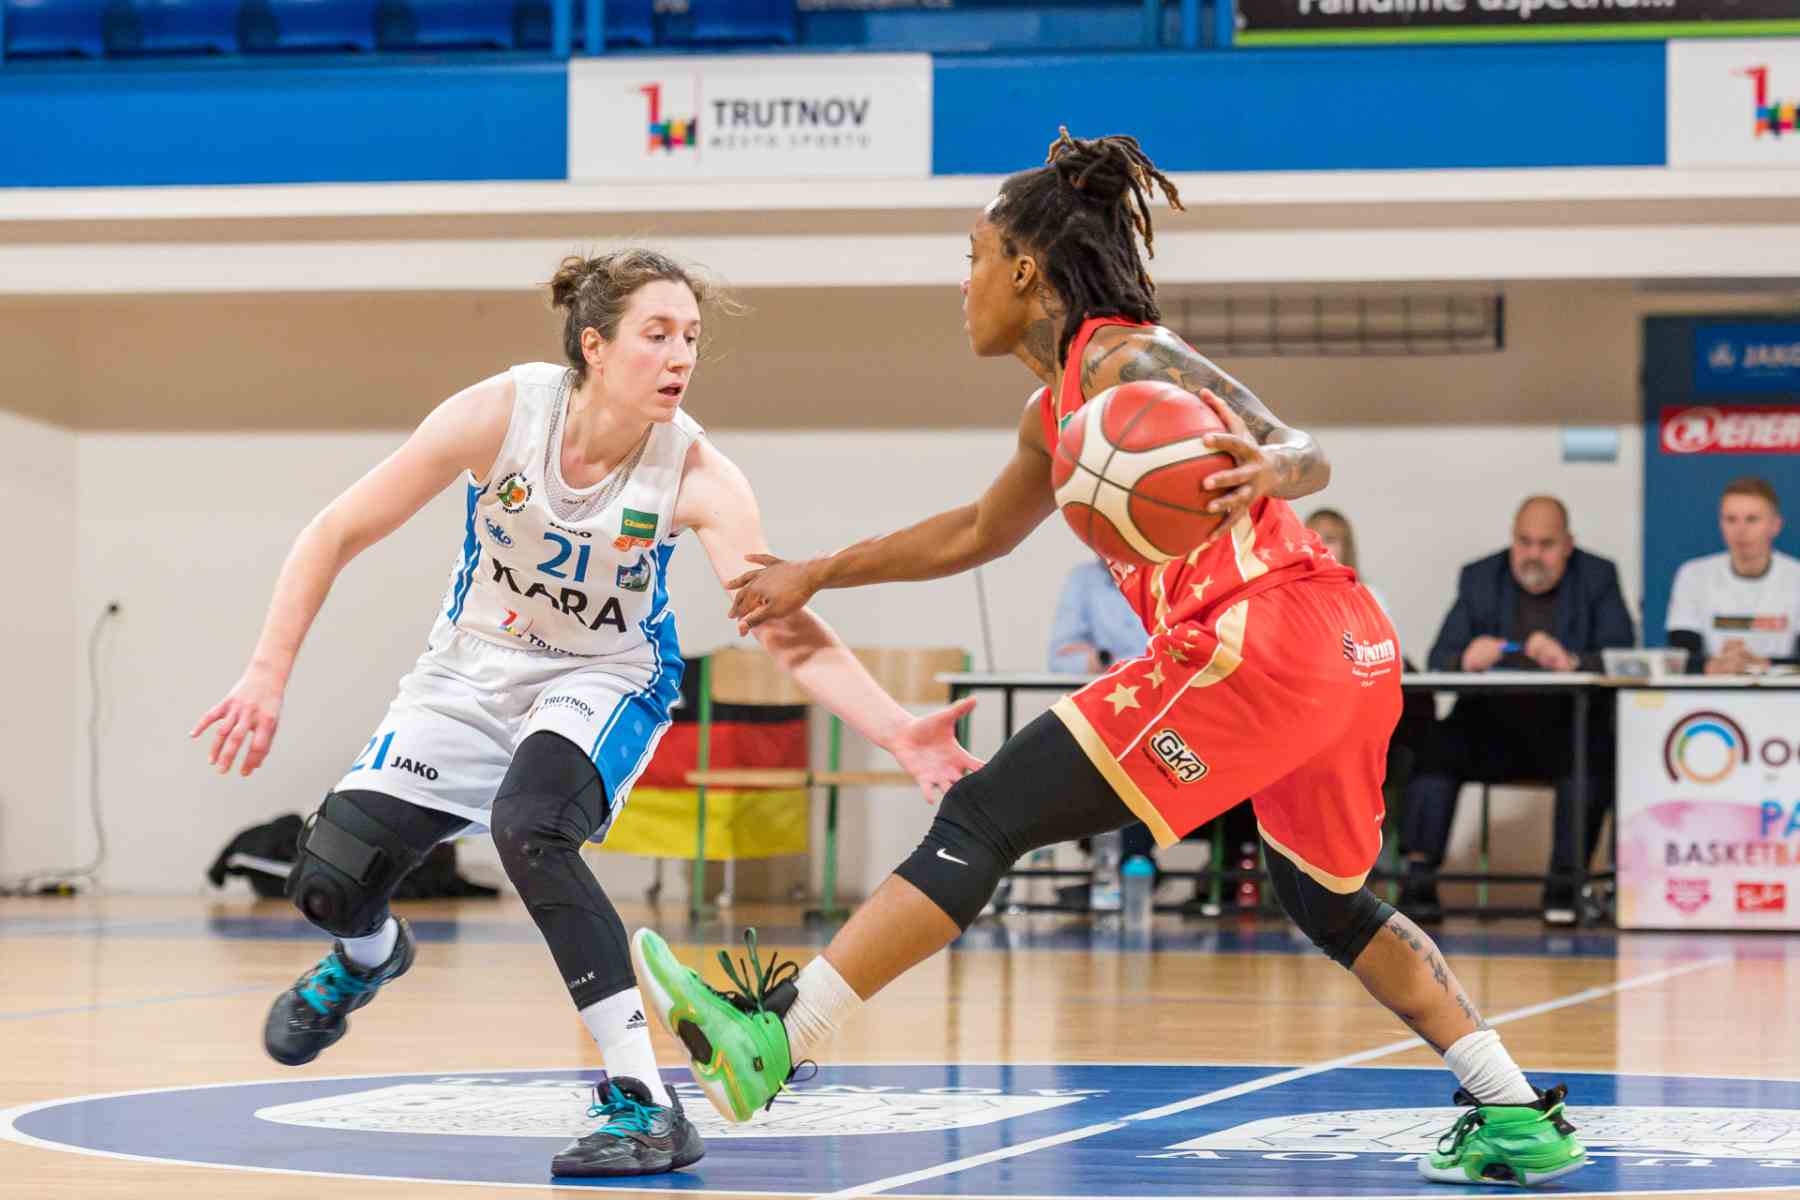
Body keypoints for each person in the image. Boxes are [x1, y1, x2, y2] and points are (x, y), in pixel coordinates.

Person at [631, 131, 1587, 1188]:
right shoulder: (1054, 413)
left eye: (972, 257)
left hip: (1261, 633)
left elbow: (1303, 449)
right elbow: (976, 532)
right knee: (1329, 901)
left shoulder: (1127, 358)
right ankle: (1514, 1112)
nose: (963, 283)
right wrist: (817, 571)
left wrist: (1269, 464)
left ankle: (779, 1032)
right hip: (1348, 646)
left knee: (984, 814)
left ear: (1025, 269)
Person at [189, 249, 978, 1179]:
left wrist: (896, 728)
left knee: (530, 827)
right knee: (329, 881)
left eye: (691, 337)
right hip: (470, 672)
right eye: (658, 334)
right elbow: (336, 530)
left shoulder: (697, 472)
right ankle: (368, 958)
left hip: (606, 676)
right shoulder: (501, 413)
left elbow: (781, 623)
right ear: (594, 346)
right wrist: (266, 673)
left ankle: (644, 1101)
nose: (680, 356)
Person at [1398, 496, 1634, 926]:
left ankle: (1564, 884)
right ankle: (1418, 878)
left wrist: (1572, 662)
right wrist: (1465, 658)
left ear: (1568, 545)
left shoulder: (1597, 577)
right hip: (1489, 727)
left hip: (1566, 730)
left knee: (1596, 751)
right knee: (1435, 745)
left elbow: (1622, 655)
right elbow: (1439, 658)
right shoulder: (1479, 577)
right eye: (1524, 543)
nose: (1533, 555)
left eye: (1546, 545)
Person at [1666, 476, 1800, 675]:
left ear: (1775, 525)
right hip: (1711, 689)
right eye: (1731, 519)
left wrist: (1765, 665)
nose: (1740, 530)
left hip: (1783, 691)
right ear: (1721, 523)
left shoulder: (1795, 577)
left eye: (1752, 519)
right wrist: (1713, 666)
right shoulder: (1693, 575)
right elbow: (1681, 653)